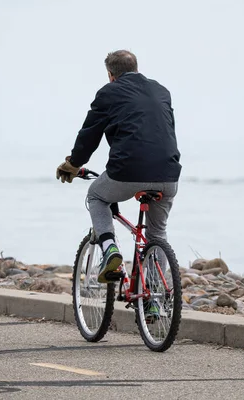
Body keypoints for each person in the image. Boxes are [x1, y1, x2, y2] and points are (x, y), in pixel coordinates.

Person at [56, 50, 181, 286]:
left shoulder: (109, 92)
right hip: (169, 174)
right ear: (136, 68)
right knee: (157, 234)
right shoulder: (162, 91)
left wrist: (73, 164)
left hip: (127, 172)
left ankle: (110, 248)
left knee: (96, 195)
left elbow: (89, 134)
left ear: (110, 75)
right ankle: (155, 299)